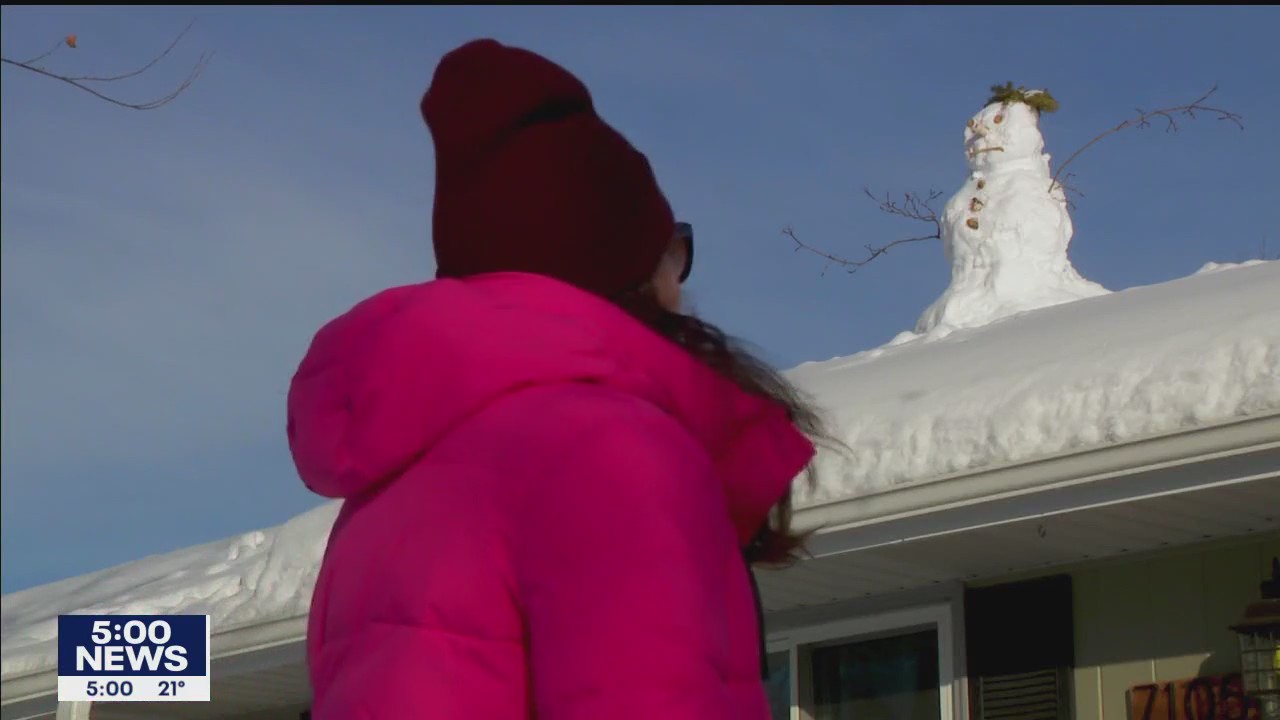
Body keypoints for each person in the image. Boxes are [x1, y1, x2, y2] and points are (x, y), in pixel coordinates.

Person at [286, 38, 827, 720]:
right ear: (622, 267)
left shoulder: (391, 483)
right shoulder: (608, 449)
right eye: (672, 252)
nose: (682, 287)